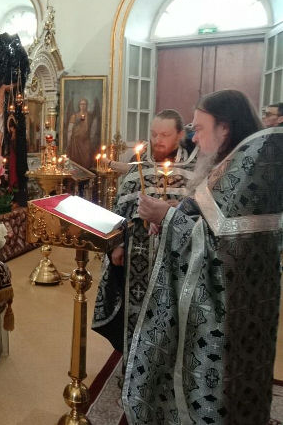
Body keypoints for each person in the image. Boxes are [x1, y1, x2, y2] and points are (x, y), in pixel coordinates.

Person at [127, 90, 283, 424]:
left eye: (199, 128)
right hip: (244, 306)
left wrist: (167, 218)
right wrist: (175, 211)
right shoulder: (236, 165)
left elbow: (222, 250)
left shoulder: (243, 172)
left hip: (229, 314)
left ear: (224, 128)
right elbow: (210, 219)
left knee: (226, 391)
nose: (194, 138)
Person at [92, 109, 197, 358]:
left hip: (177, 259)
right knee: (135, 312)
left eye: (165, 135)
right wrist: (117, 246)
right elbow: (120, 208)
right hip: (138, 257)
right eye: (153, 134)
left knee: (172, 315)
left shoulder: (195, 169)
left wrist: (176, 210)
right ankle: (133, 361)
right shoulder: (139, 165)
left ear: (179, 135)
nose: (157, 140)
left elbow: (200, 213)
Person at [65, 98, 101, 169]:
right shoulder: (74, 116)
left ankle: (86, 173)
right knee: (76, 159)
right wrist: (69, 140)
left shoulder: (90, 116)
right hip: (76, 141)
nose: (83, 106)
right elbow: (70, 129)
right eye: (81, 104)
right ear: (79, 105)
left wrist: (92, 138)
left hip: (86, 140)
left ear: (87, 105)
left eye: (84, 104)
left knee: (87, 158)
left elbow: (93, 128)